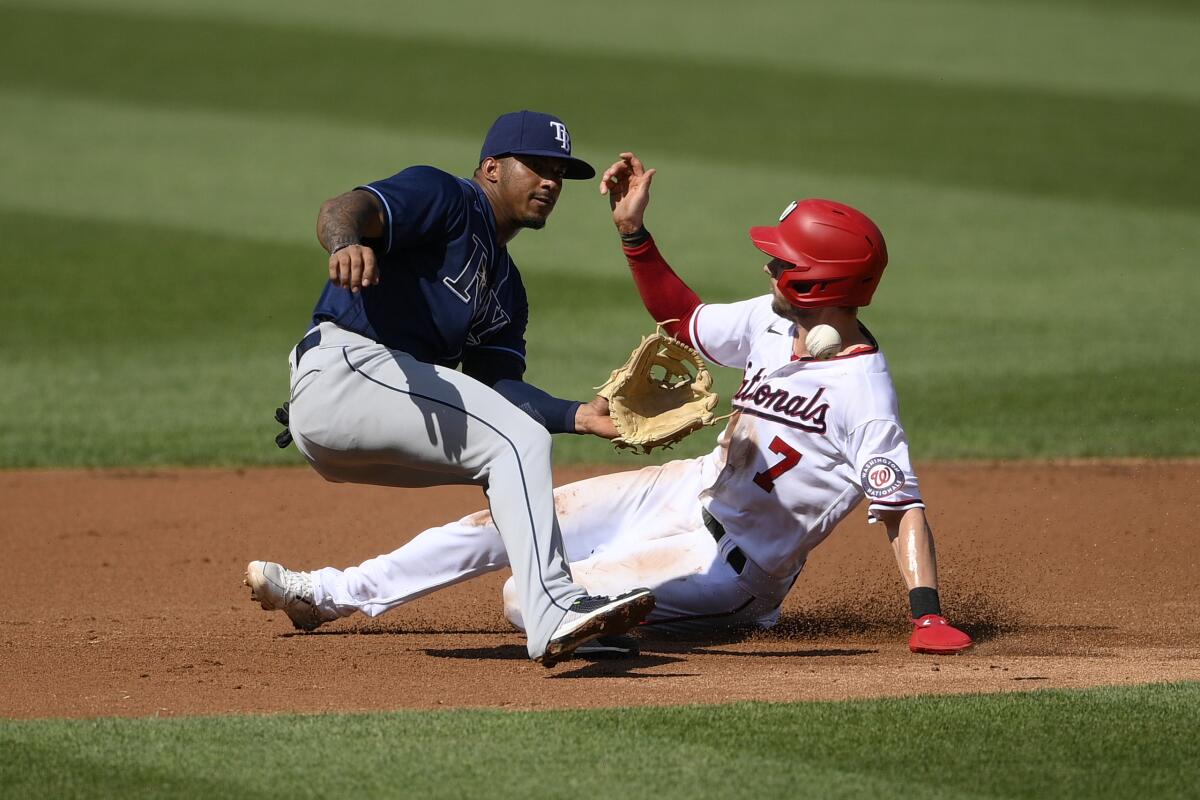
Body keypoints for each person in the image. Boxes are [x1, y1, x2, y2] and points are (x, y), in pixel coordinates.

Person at [249, 151, 973, 658]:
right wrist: (634, 234)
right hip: (683, 488)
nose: (767, 263)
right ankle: (328, 593)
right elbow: (683, 321)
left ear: (821, 280)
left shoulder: (863, 391)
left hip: (733, 565)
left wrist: (927, 614)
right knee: (505, 519)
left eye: (783, 260)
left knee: (524, 600)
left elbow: (900, 506)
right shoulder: (770, 319)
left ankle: (643, 624)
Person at [245, 112, 655, 667]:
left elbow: (494, 389)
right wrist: (345, 243)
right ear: (491, 167)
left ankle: (556, 606)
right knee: (517, 443)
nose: (551, 182)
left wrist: (579, 415)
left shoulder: (507, 289)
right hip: (344, 374)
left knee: (513, 451)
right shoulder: (446, 197)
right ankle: (553, 607)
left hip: (375, 413)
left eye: (559, 172)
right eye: (536, 165)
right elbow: (343, 210)